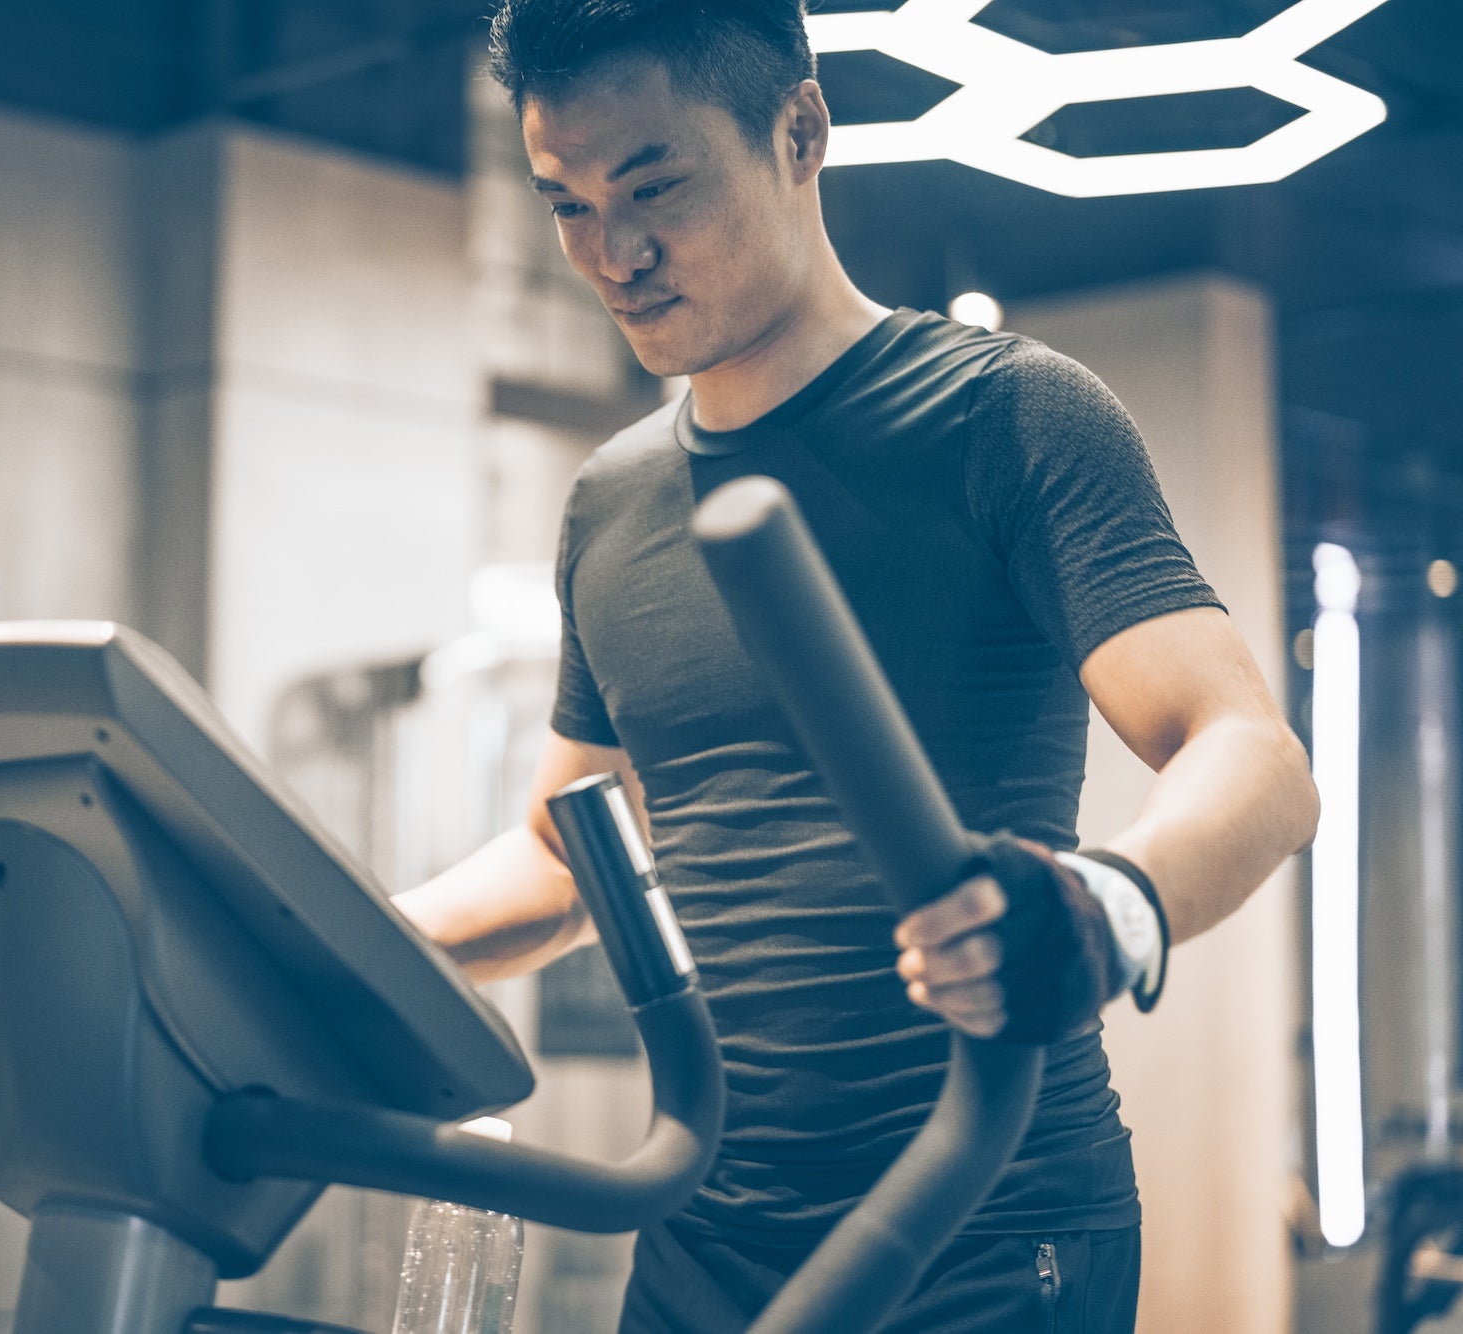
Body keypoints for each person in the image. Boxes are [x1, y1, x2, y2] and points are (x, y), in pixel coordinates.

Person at [394, 2, 1321, 1330]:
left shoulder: (1009, 416)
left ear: (800, 132)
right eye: (568, 205)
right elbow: (565, 856)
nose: (615, 252)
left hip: (990, 1224)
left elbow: (1254, 758)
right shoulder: (614, 500)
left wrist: (1099, 911)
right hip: (704, 1229)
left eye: (655, 185)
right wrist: (328, 948)